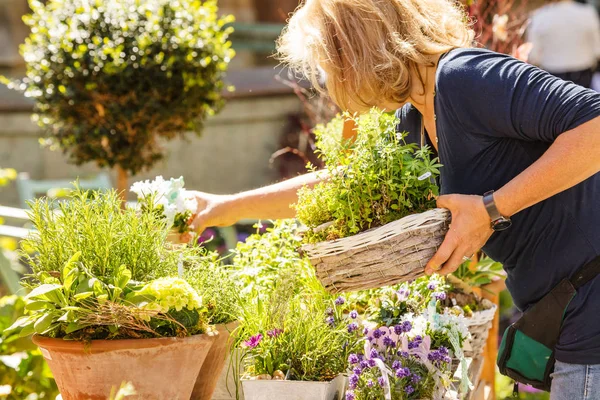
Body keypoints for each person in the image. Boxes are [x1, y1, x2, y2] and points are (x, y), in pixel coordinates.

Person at [184, 0, 600, 397]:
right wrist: (220, 208)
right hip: (567, 315)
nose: (327, 81)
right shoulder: (417, 117)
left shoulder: (464, 76)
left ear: (357, 49)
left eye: (328, 64)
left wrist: (491, 208)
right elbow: (341, 187)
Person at [526, 0, 600, 88]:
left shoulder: (539, 16)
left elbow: (533, 57)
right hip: (583, 75)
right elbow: (597, 50)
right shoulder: (588, 13)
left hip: (552, 77)